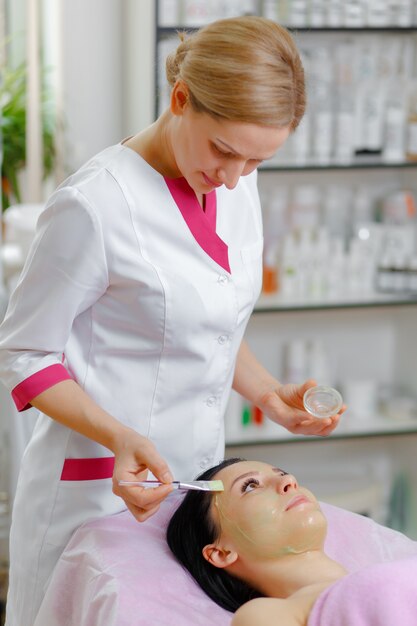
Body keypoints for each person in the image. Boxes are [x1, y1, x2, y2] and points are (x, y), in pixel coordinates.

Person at [0, 16, 344, 626]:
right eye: (225, 151)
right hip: (94, 490)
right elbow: (25, 353)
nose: (236, 176)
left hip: (193, 491)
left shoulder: (234, 178)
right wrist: (117, 437)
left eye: (258, 161)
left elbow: (202, 320)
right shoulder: (95, 205)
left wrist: (269, 395)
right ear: (180, 97)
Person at [167, 458, 417, 625]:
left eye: (283, 474)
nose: (289, 481)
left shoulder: (375, 571)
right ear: (221, 552)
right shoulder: (265, 615)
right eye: (250, 486)